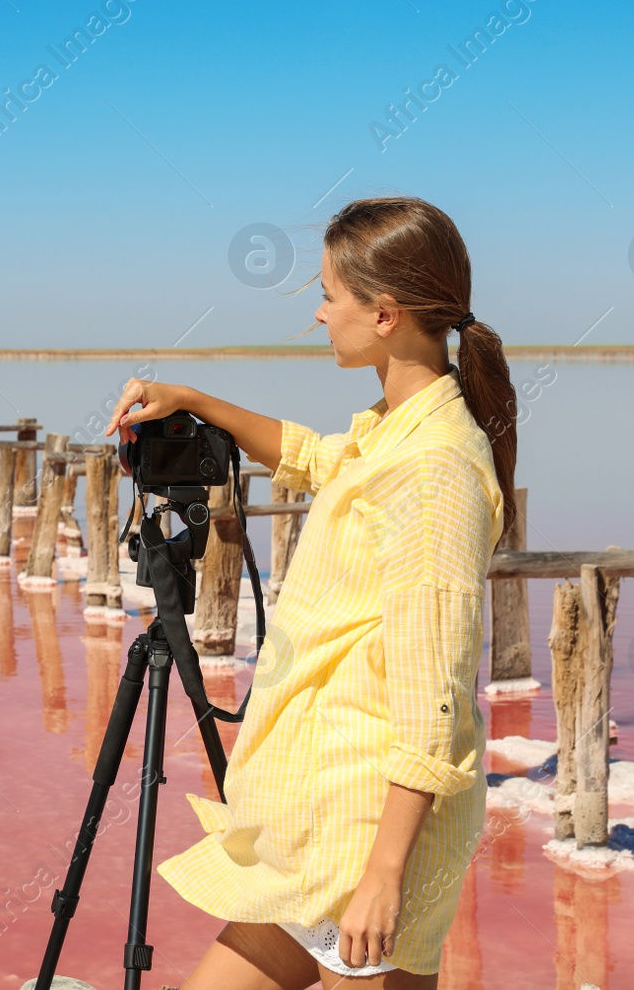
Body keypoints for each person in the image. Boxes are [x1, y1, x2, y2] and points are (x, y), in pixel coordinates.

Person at [104, 196, 518, 989]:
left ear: (386, 314)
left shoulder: (435, 468)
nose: (320, 314)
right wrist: (194, 400)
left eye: (330, 294)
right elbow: (318, 457)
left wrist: (385, 873)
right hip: (314, 824)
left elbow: (435, 695)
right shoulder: (390, 432)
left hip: (367, 837)